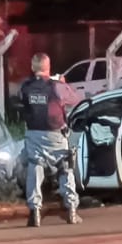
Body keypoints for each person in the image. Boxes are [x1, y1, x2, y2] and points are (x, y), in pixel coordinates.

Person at [19, 53, 81, 227]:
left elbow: (21, 102)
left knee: (35, 169)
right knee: (65, 168)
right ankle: (71, 211)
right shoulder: (57, 86)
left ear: (32, 68)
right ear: (49, 67)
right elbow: (76, 100)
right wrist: (62, 82)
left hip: (33, 134)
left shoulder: (25, 86)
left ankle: (35, 213)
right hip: (56, 135)